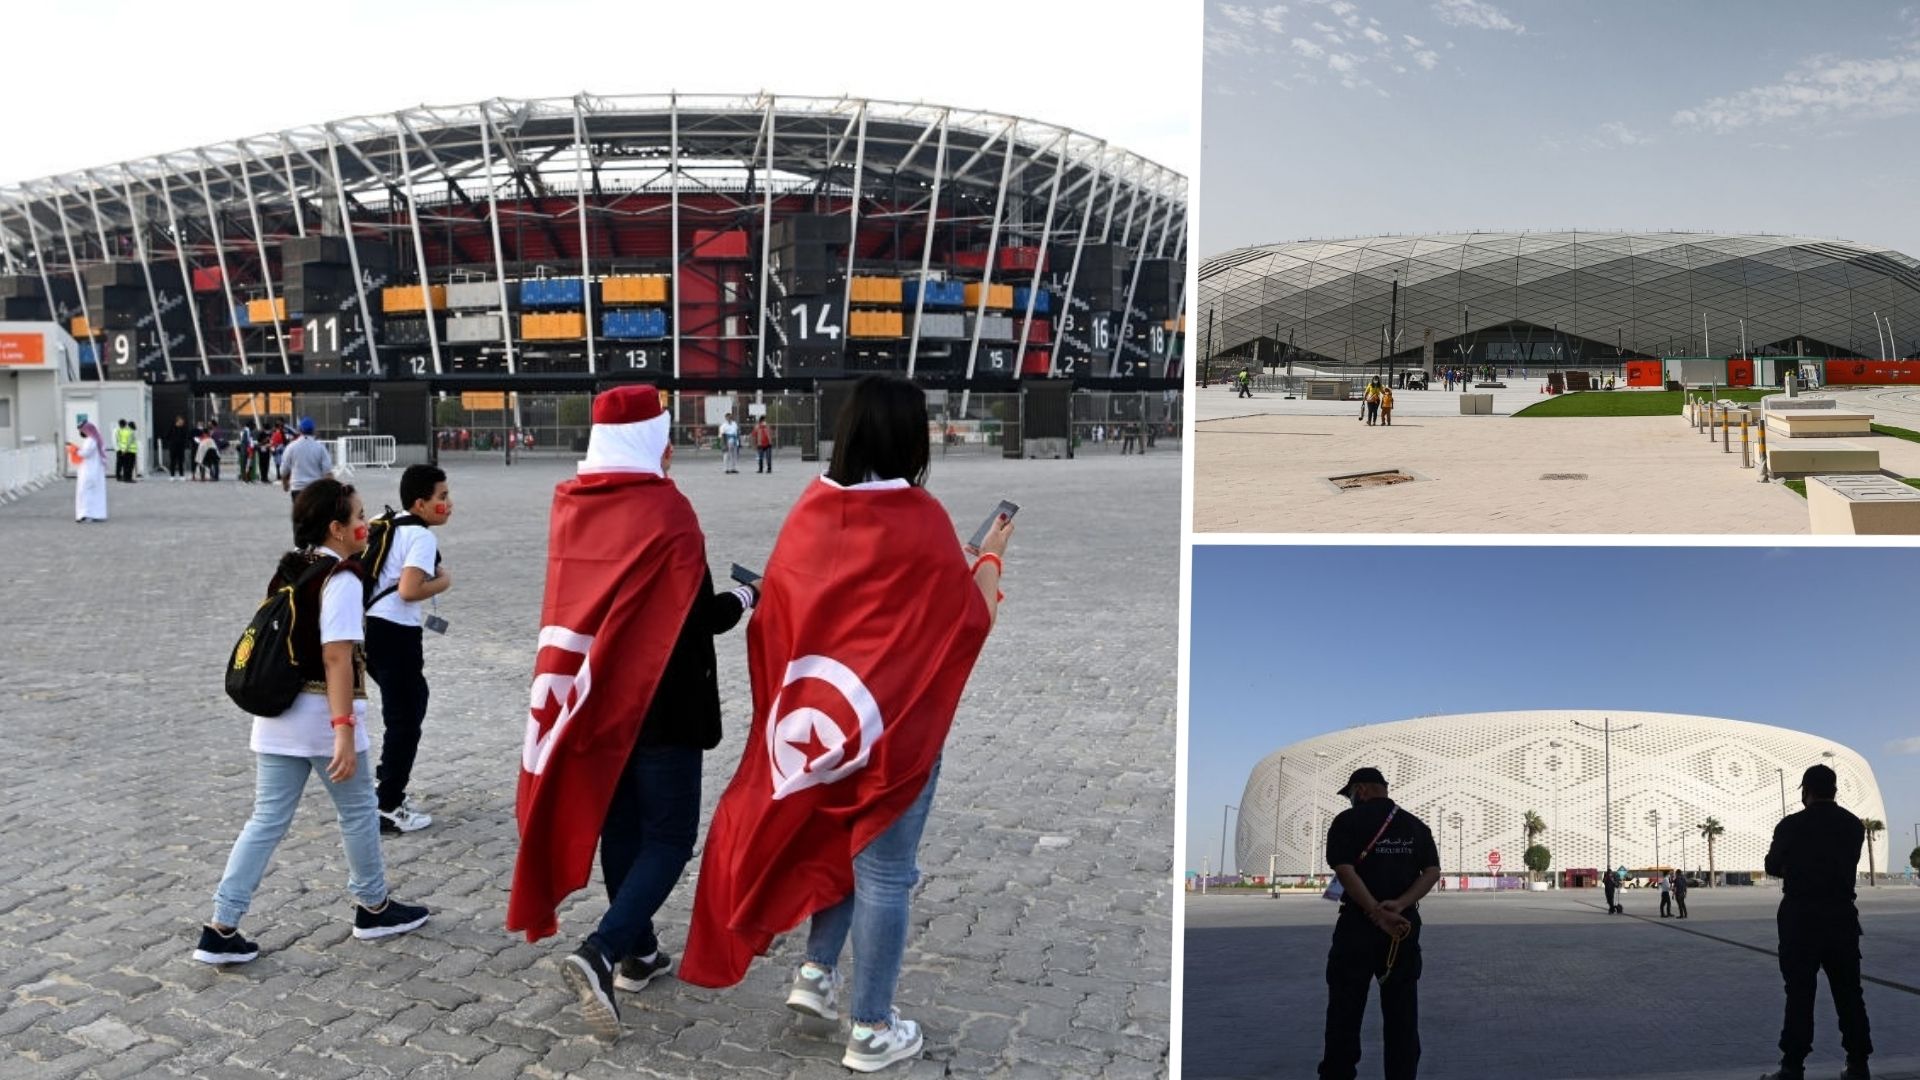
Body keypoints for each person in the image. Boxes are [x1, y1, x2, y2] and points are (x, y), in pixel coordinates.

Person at [681, 374, 1011, 1073]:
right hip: (894, 729)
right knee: (887, 872)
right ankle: (871, 1027)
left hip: (818, 725)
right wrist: (989, 558)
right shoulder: (920, 518)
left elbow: (777, 614)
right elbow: (968, 621)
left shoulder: (812, 508)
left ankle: (816, 973)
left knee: (836, 837)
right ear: (911, 440)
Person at [507, 387, 761, 1040]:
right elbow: (696, 618)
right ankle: (602, 949)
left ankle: (640, 953)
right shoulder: (667, 512)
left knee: (620, 827)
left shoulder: (572, 507)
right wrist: (745, 593)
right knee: (670, 837)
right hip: (664, 704)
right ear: (655, 441)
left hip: (594, 698)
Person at [194, 478, 430, 966]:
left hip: (278, 717)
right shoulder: (340, 578)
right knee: (361, 811)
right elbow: (338, 658)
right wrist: (343, 729)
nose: (368, 525)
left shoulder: (293, 569)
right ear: (336, 528)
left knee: (265, 821)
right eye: (360, 516)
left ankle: (221, 926)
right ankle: (374, 906)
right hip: (322, 716)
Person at [1318, 767, 1440, 1080]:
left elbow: (1345, 870)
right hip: (1402, 927)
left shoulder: (1346, 822)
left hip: (1357, 925)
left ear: (1361, 790)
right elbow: (1431, 872)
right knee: (1402, 1015)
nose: (1350, 800)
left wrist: (1374, 910)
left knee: (1345, 1012)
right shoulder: (1416, 826)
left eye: (1350, 794)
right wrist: (1398, 905)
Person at [1759, 764, 1872, 1080]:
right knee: (1849, 992)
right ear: (1835, 790)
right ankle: (1858, 1063)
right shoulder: (1853, 825)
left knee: (1799, 993)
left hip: (1801, 918)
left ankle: (1792, 1066)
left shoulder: (1792, 825)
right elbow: (1847, 861)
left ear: (1806, 791)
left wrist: (1795, 869)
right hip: (1841, 916)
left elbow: (1771, 865)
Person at [363, 465, 456, 836]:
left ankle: (384, 787)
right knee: (406, 717)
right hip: (395, 632)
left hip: (370, 627)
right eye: (442, 497)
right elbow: (409, 590)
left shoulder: (392, 523)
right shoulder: (420, 536)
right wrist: (444, 582)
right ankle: (387, 805)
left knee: (404, 709)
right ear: (421, 503)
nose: (448, 505)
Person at [281, 417, 334, 502]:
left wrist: (285, 484)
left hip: (297, 489)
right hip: (315, 489)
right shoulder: (320, 448)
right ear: (313, 430)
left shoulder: (291, 447)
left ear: (299, 430)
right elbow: (327, 472)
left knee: (301, 514)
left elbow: (284, 469)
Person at [72, 416, 109, 523]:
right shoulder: (94, 439)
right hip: (92, 471)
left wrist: (74, 450)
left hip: (89, 471)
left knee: (86, 492)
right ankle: (94, 514)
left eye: (81, 430)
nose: (81, 432)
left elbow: (86, 453)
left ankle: (86, 514)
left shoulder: (91, 440)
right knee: (92, 492)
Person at [163, 416, 191, 481]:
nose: (182, 423)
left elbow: (186, 437)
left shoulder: (184, 428)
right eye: (181, 421)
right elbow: (167, 436)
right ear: (177, 421)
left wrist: (184, 443)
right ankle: (172, 476)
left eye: (183, 422)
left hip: (181, 448)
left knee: (181, 462)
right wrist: (170, 443)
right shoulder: (172, 428)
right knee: (173, 462)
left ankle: (182, 476)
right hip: (173, 448)